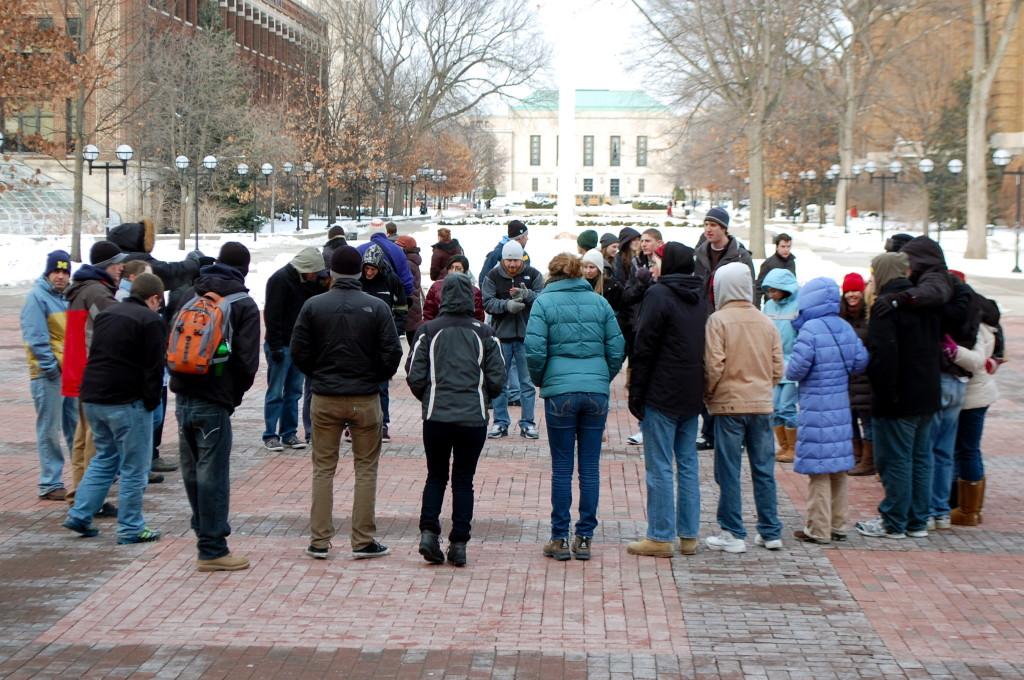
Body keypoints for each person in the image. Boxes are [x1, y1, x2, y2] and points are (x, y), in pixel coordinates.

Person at [291, 245, 403, 560]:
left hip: (325, 396)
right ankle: (363, 538)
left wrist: (318, 373)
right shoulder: (376, 307)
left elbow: (299, 350)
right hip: (365, 397)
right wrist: (375, 376)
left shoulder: (314, 306)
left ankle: (319, 540)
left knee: (323, 469)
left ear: (333, 273)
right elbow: (392, 352)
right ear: (358, 272)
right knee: (366, 468)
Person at [525, 254, 624, 561]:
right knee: (590, 467)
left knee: (562, 466)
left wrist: (543, 380)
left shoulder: (542, 303)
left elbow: (535, 350)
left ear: (551, 273)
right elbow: (617, 347)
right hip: (595, 390)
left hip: (560, 392)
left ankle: (559, 537)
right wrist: (602, 376)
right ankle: (585, 536)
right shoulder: (600, 303)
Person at [171, 242, 260, 571]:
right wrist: (231, 397)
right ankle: (212, 549)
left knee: (192, 470)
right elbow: (247, 364)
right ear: (244, 269)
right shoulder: (243, 304)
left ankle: (203, 534)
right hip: (215, 400)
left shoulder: (190, 295)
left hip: (183, 397)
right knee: (213, 474)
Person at [407, 273, 506, 566]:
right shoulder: (484, 333)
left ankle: (428, 532)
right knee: (464, 480)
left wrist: (427, 397)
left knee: (436, 475)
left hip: (436, 415)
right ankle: (459, 542)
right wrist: (483, 396)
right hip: (472, 417)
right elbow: (498, 378)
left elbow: (415, 374)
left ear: (441, 296)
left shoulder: (428, 330)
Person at [62, 273, 166, 543]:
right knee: (134, 467)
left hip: (93, 396)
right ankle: (131, 527)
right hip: (126, 402)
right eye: (160, 301)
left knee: (105, 458)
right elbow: (153, 369)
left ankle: (80, 514)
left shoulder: (109, 313)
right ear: (153, 298)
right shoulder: (150, 321)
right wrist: (152, 403)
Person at [625, 243, 706, 558]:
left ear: (670, 264)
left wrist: (636, 393)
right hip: (690, 390)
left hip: (662, 391)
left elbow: (644, 346)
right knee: (686, 464)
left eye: (657, 260)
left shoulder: (658, 295)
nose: (653, 265)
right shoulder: (698, 296)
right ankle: (688, 535)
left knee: (659, 465)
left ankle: (659, 536)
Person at [855, 252, 941, 540]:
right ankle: (917, 520)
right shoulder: (923, 303)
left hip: (897, 398)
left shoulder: (885, 307)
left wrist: (885, 395)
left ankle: (894, 520)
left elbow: (883, 358)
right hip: (927, 394)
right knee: (920, 458)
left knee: (896, 460)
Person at [704, 262, 784, 554]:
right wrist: (764, 387)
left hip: (729, 403)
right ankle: (770, 530)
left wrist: (709, 394)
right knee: (763, 469)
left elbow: (714, 364)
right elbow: (778, 366)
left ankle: (733, 531)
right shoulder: (765, 321)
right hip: (762, 403)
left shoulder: (718, 320)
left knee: (728, 470)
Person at [785, 278, 868, 545]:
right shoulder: (844, 327)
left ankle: (818, 528)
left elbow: (796, 370)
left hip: (816, 408)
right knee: (838, 468)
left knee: (819, 471)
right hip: (841, 407)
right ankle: (839, 524)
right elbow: (860, 361)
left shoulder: (809, 330)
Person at [62, 240, 127, 507]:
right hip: (92, 373)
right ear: (105, 266)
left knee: (81, 435)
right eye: (117, 263)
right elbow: (118, 327)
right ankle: (91, 500)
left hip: (77, 371)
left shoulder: (80, 290)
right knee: (94, 441)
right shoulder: (98, 293)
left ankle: (79, 492)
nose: (121, 267)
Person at [694, 207, 756, 453]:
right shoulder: (699, 254)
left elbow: (751, 290)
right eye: (706, 224)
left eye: (713, 225)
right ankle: (708, 431)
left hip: (733, 322)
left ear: (724, 228)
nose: (708, 229)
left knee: (730, 376)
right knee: (706, 374)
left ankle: (735, 433)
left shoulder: (740, 256)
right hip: (705, 321)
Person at [21, 250, 78, 500]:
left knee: (75, 428)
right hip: (49, 376)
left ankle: (80, 478)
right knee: (50, 430)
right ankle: (50, 482)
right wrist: (51, 367)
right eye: (56, 271)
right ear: (48, 272)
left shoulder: (68, 297)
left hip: (69, 374)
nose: (61, 276)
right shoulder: (37, 297)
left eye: (65, 272)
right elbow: (36, 337)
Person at [262, 247, 326, 451]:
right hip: (281, 345)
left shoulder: (306, 282)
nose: (316, 275)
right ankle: (270, 435)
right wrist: (275, 347)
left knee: (294, 392)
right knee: (276, 392)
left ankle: (288, 433)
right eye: (314, 272)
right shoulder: (279, 280)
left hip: (298, 346)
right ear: (305, 268)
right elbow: (272, 316)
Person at [482, 240, 544, 439]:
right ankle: (500, 422)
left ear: (522, 259)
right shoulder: (492, 276)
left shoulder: (533, 274)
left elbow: (543, 300)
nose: (512, 265)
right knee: (500, 381)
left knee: (527, 382)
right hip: (502, 337)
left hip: (527, 336)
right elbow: (487, 302)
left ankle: (528, 422)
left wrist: (527, 295)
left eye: (516, 261)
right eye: (508, 261)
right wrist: (506, 305)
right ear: (502, 260)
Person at [949, 319, 999, 526]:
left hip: (973, 396)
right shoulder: (982, 320)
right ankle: (968, 507)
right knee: (964, 449)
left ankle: (969, 511)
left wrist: (951, 349)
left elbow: (976, 360)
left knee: (967, 450)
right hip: (975, 394)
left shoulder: (974, 325)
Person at [360, 244, 408, 442]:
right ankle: (356, 424)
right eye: (366, 269)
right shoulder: (359, 281)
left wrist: (394, 332)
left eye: (373, 269)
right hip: (360, 340)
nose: (369, 273)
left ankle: (383, 423)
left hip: (382, 340)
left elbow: (401, 308)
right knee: (360, 384)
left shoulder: (391, 280)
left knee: (382, 385)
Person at [760, 268, 800, 463]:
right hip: (773, 363)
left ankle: (793, 447)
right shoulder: (768, 306)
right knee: (774, 407)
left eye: (774, 290)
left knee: (787, 407)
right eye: (769, 290)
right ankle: (783, 446)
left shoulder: (798, 306)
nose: (771, 294)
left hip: (792, 363)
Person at [841, 273, 875, 476]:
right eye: (848, 291)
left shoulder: (869, 317)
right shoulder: (840, 317)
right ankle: (856, 455)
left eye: (856, 291)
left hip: (865, 379)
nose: (852, 295)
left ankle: (869, 459)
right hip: (846, 379)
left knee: (867, 421)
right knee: (850, 420)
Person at [355, 226, 416, 296]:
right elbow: (407, 282)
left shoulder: (359, 250)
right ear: (385, 233)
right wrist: (403, 298)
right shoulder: (398, 250)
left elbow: (354, 278)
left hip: (365, 299)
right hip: (391, 299)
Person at [423, 255, 485, 322]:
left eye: (458, 268)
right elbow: (428, 313)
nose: (454, 271)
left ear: (465, 271)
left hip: (465, 328)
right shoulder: (436, 287)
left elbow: (478, 316)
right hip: (439, 327)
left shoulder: (474, 291)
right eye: (451, 268)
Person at [395, 235, 424, 345]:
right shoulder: (411, 261)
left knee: (413, 342)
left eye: (399, 246)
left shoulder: (407, 263)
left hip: (410, 305)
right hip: (414, 305)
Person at [756, 233, 796, 304]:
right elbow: (758, 288)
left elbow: (793, 284)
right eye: (783, 246)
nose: (786, 249)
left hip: (789, 304)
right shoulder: (769, 263)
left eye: (788, 246)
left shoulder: (791, 262)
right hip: (772, 305)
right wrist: (756, 308)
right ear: (777, 247)